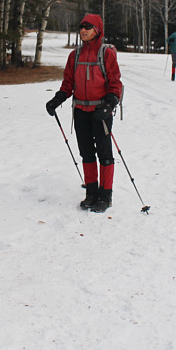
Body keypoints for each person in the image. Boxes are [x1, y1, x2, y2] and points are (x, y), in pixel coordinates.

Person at [45, 14, 123, 213]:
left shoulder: (106, 53)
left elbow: (115, 82)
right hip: (80, 110)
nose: (83, 30)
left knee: (105, 154)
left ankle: (105, 195)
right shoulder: (75, 55)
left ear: (97, 29)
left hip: (100, 111)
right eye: (81, 27)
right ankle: (91, 193)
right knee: (86, 153)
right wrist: (57, 99)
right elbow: (68, 83)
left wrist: (110, 103)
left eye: (88, 27)